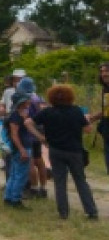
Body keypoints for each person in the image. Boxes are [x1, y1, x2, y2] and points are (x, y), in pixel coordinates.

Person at [33, 84, 97, 221]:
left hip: (55, 150)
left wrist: (40, 137)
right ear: (70, 97)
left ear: (51, 97)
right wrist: (86, 120)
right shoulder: (76, 111)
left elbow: (28, 122)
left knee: (60, 182)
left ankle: (63, 213)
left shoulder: (47, 112)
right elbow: (88, 130)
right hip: (74, 151)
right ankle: (91, 211)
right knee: (80, 181)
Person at [3, 93, 38, 209]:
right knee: (21, 175)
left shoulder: (19, 114)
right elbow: (14, 134)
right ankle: (16, 199)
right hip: (22, 147)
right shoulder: (16, 116)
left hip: (18, 148)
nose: (29, 101)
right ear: (22, 102)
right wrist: (22, 149)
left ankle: (8, 197)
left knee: (14, 174)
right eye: (27, 100)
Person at [94, 63, 109, 175]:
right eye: (102, 71)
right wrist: (93, 117)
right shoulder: (105, 89)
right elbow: (106, 109)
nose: (104, 74)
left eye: (106, 71)